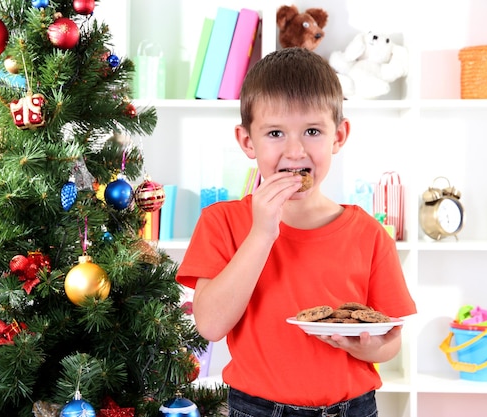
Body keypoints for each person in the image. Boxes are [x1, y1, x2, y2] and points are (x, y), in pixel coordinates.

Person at [176, 47, 416, 416]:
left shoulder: (370, 235)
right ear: (247, 142)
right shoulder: (221, 221)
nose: (295, 150)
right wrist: (261, 235)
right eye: (275, 132)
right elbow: (210, 325)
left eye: (312, 131)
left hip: (353, 408)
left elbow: (389, 340)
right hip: (256, 408)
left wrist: (369, 348)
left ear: (338, 136)